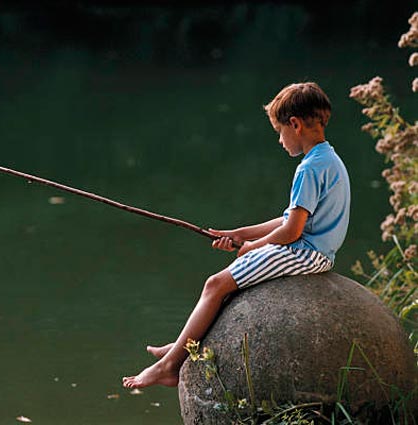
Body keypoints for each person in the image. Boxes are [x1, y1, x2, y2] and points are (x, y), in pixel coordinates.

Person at [122, 82, 350, 389]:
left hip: (306, 253)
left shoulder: (308, 169)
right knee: (226, 286)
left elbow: (292, 231)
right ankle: (183, 345)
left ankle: (169, 366)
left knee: (215, 284)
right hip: (315, 250)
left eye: (279, 131)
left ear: (294, 124)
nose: (280, 140)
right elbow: (288, 219)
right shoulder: (329, 160)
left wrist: (253, 248)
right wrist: (238, 234)